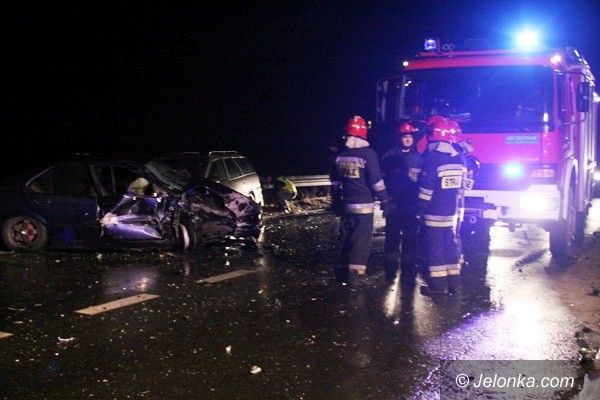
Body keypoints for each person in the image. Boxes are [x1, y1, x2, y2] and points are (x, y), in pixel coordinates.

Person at [331, 115, 389, 283]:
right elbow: (376, 182)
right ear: (363, 134)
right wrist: (385, 201)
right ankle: (355, 276)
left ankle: (341, 271)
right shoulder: (368, 154)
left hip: (347, 205)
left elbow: (335, 182)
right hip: (364, 207)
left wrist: (336, 201)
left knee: (345, 238)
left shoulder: (340, 155)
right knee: (360, 241)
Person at [418, 116, 467, 296]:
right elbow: (462, 187)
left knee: (435, 247)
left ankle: (437, 286)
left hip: (434, 211)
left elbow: (427, 188)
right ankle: (454, 283)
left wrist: (419, 208)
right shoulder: (458, 158)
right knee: (450, 245)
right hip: (450, 211)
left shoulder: (433, 158)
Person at [380, 122, 423, 284]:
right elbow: (382, 179)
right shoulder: (389, 156)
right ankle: (390, 271)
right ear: (400, 138)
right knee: (391, 238)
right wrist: (385, 200)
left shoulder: (419, 159)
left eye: (410, 136)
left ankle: (408, 271)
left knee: (410, 238)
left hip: (410, 205)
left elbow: (422, 183)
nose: (407, 139)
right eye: (405, 136)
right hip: (393, 204)